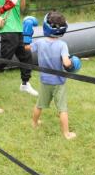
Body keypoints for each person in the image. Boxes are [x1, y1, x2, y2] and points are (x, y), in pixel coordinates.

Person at [0, 0, 57, 96]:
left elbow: (22, 9)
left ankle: (25, 84)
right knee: (6, 58)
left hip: (17, 28)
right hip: (8, 29)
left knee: (26, 56)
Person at [24, 11, 81, 140]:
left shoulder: (40, 42)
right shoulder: (62, 45)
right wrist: (74, 62)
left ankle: (34, 123)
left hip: (45, 80)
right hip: (58, 82)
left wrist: (27, 33)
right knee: (62, 108)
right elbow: (66, 63)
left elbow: (26, 48)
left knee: (40, 104)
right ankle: (66, 133)